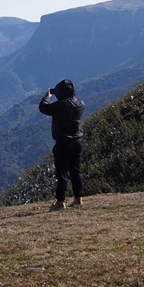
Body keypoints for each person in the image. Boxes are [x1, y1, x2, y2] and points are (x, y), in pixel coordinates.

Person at [39, 79, 85, 210]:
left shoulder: (59, 106)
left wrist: (47, 98)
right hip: (77, 143)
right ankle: (78, 198)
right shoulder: (81, 104)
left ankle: (60, 202)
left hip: (63, 144)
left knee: (62, 174)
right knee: (76, 171)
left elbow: (43, 108)